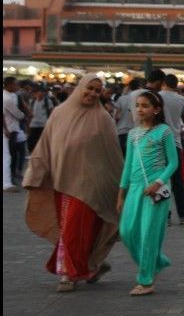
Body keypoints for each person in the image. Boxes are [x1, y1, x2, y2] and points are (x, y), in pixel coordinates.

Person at [22, 75, 121, 292]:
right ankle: (91, 266)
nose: (93, 93)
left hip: (92, 185)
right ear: (79, 88)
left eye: (98, 90)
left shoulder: (103, 119)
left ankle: (67, 273)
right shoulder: (59, 113)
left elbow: (113, 155)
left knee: (76, 228)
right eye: (90, 88)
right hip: (62, 181)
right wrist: (35, 174)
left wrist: (121, 185)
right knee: (70, 228)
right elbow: (45, 146)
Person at [118, 91, 179, 296]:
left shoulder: (164, 132)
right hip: (134, 189)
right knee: (126, 232)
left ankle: (146, 280)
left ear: (157, 109)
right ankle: (155, 261)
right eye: (138, 105)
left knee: (148, 234)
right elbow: (127, 166)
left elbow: (173, 163)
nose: (140, 109)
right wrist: (121, 194)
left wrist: (158, 182)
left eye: (145, 105)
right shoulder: (133, 134)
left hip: (156, 191)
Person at [158, 74, 184, 224]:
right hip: (175, 142)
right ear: (176, 84)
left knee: (162, 179)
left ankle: (166, 216)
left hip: (159, 142)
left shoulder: (157, 96)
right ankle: (183, 216)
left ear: (164, 83)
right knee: (178, 182)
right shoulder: (181, 99)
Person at [114, 78, 144, 154]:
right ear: (139, 87)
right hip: (135, 131)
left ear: (129, 87)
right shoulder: (141, 98)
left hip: (121, 131)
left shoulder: (121, 98)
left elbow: (116, 116)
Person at [28, 84, 57, 154]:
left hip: (44, 124)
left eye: (42, 92)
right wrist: (28, 123)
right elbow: (30, 112)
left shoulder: (48, 101)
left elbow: (52, 112)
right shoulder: (32, 101)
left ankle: (42, 154)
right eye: (38, 92)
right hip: (33, 124)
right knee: (32, 141)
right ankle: (33, 153)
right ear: (34, 93)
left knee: (43, 141)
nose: (40, 93)